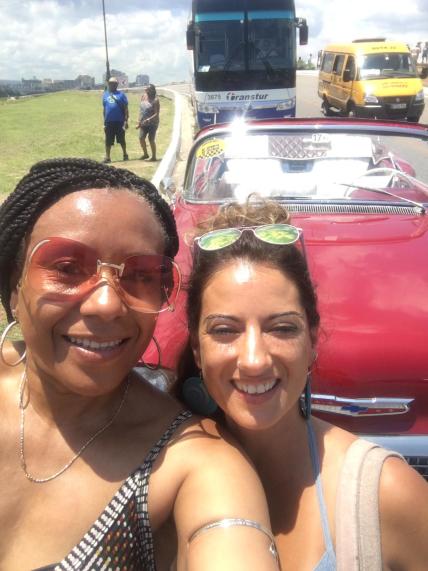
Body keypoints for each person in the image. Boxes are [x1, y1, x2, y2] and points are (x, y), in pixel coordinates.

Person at [0, 161, 280, 571]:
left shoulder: (190, 462)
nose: (106, 304)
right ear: (14, 283)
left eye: (140, 275)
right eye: (67, 268)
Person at [176, 199, 428, 570]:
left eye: (281, 328)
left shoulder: (384, 491)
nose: (254, 360)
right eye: (225, 330)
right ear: (197, 349)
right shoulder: (162, 474)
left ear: (311, 340)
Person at [102, 76, 129, 163]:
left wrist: (126, 121)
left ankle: (125, 154)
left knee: (122, 139)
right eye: (110, 83)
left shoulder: (121, 95)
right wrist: (104, 122)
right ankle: (107, 157)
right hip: (109, 122)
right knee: (108, 140)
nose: (111, 85)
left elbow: (126, 108)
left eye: (113, 83)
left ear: (117, 84)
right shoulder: (105, 94)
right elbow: (104, 109)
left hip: (120, 121)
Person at [137, 84, 160, 161]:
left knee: (151, 139)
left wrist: (148, 119)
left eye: (149, 89)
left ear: (153, 91)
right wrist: (139, 120)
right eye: (146, 89)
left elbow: (156, 114)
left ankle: (154, 157)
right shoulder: (143, 97)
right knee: (141, 138)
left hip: (153, 123)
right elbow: (141, 110)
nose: (147, 91)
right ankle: (145, 154)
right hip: (143, 122)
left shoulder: (155, 100)